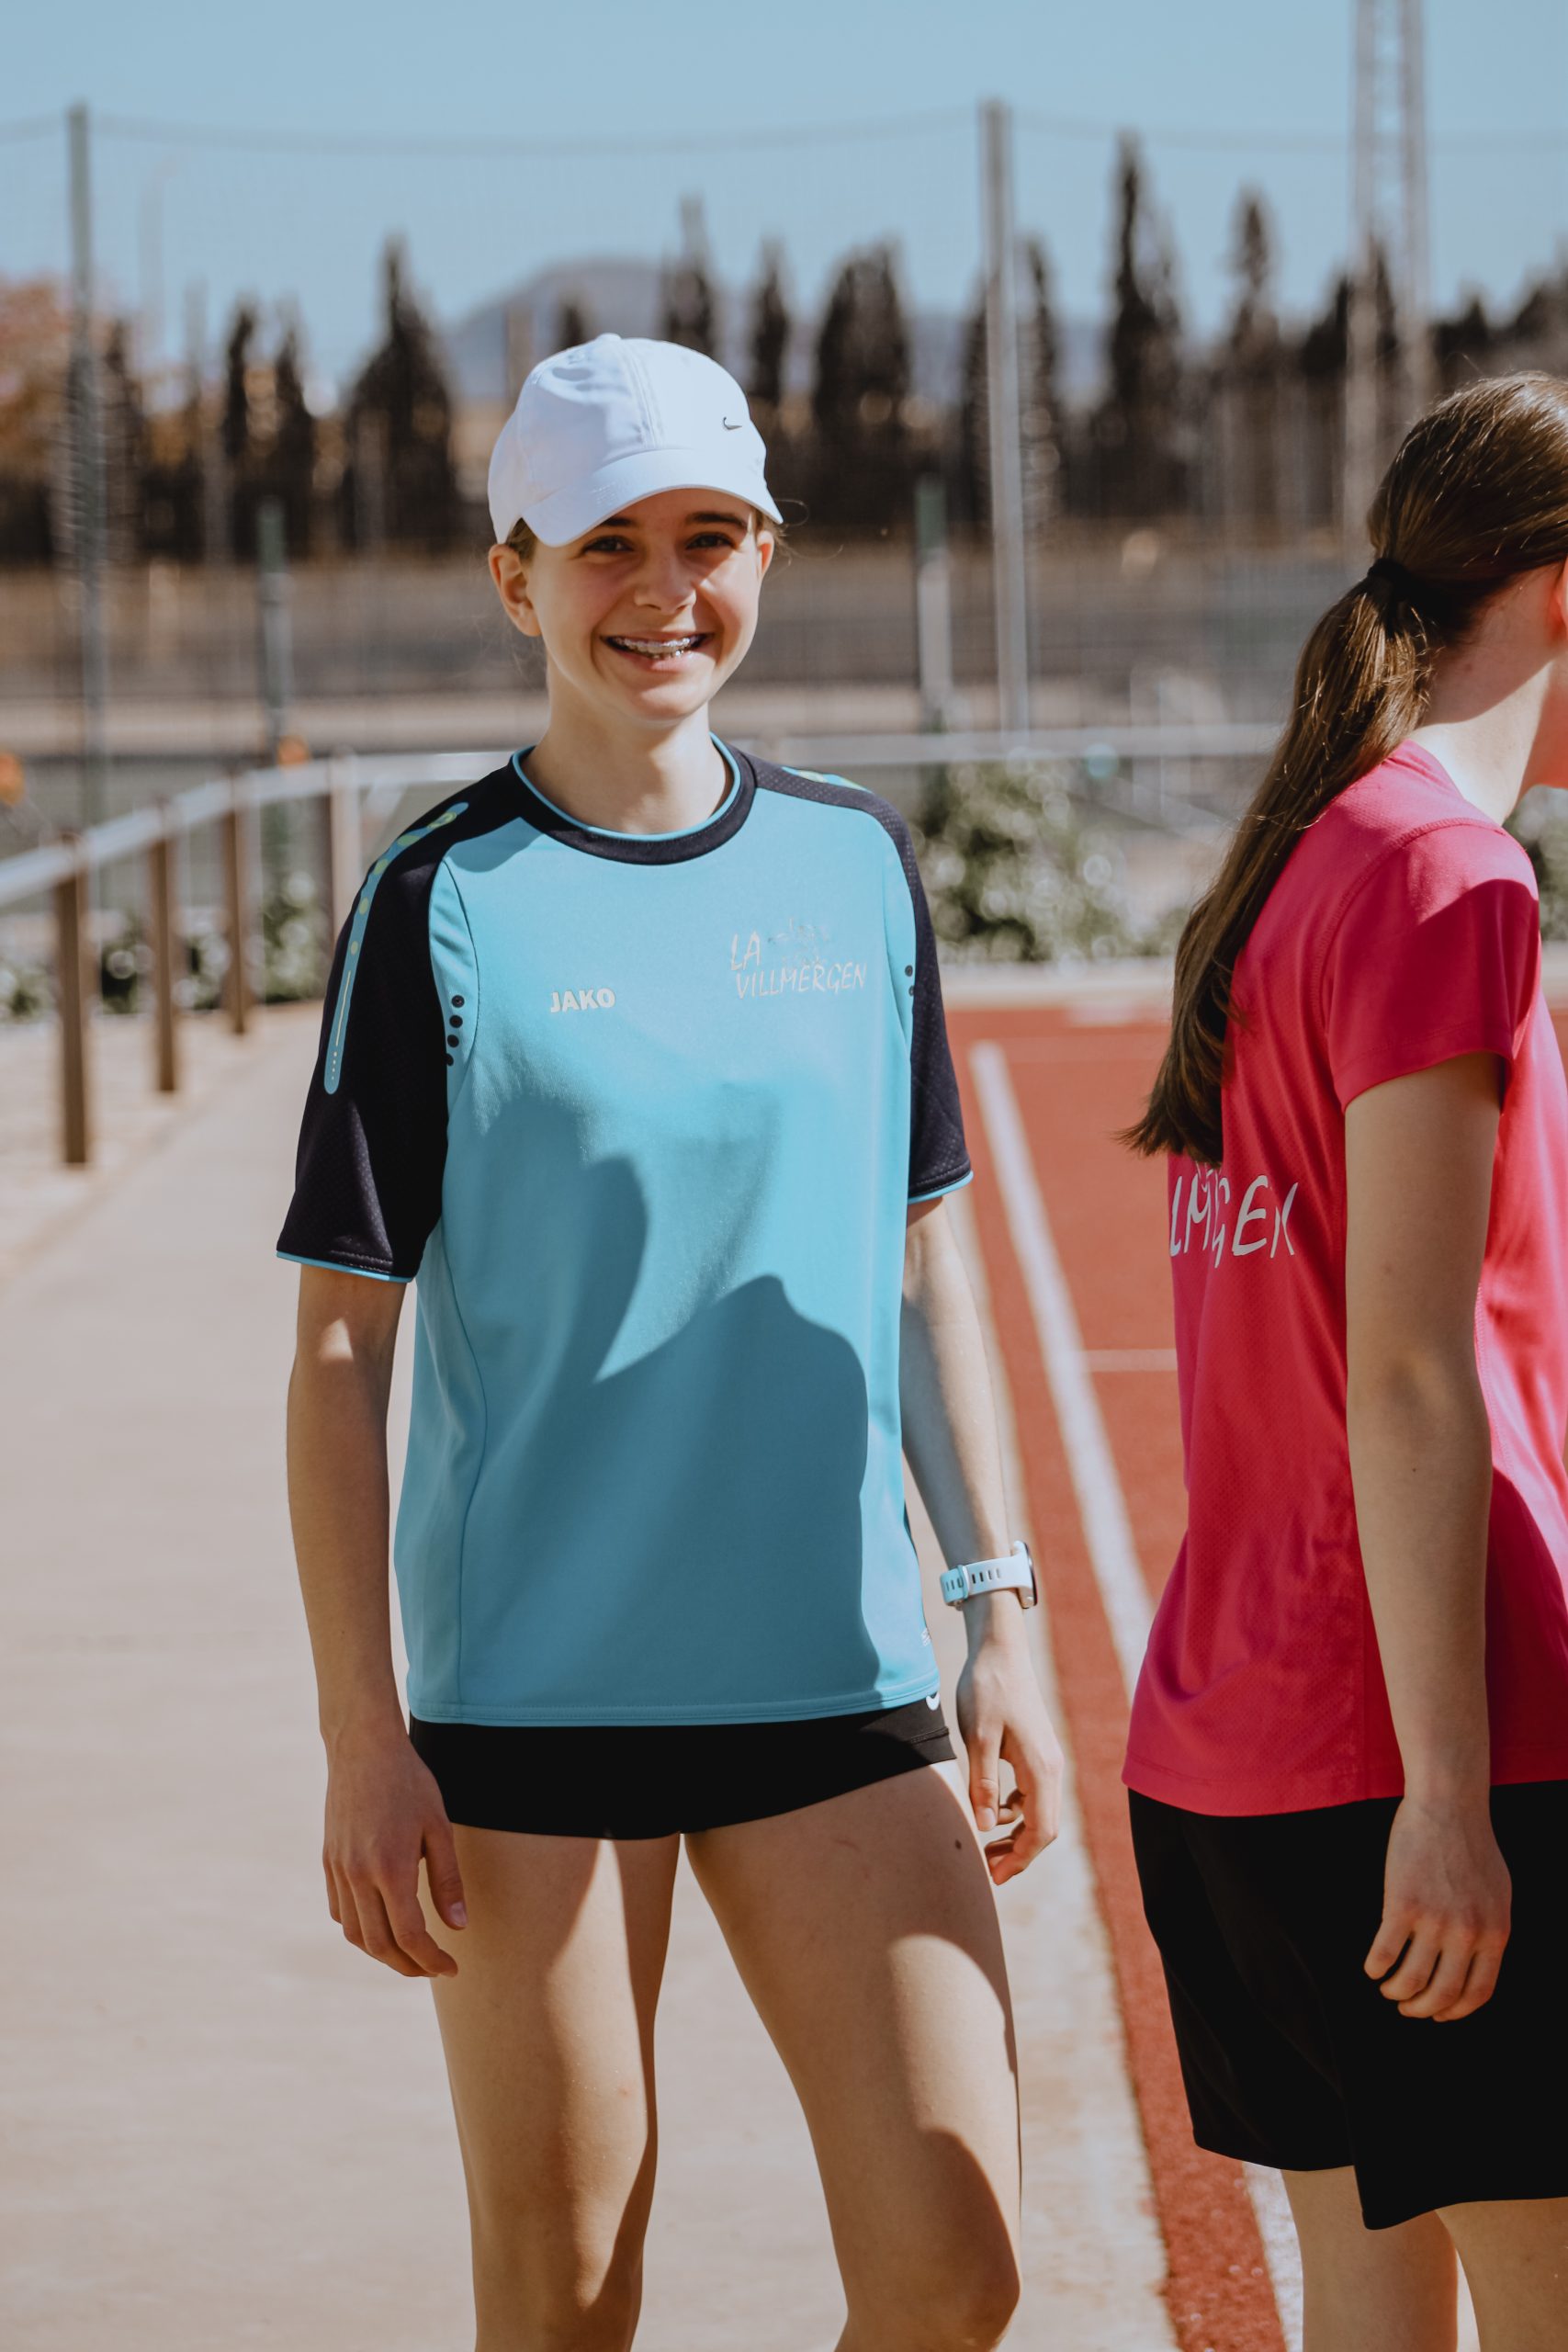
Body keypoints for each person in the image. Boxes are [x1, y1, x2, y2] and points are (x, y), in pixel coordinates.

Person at [279, 334, 1063, 2352]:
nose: (663, 592)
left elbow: (923, 1267)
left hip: (832, 1670)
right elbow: (343, 1351)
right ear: (515, 577)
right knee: (564, 2302)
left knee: (953, 2268)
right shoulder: (439, 899)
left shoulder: (854, 862)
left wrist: (994, 1608)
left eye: (708, 536)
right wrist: (365, 1734)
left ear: (766, 554)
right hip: (531, 1705)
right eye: (606, 545)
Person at [1124, 373, 1568, 2352]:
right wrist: (1450, 1795)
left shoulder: (1298, 857)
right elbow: (1405, 1371)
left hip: (1233, 1744)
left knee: (1371, 2316)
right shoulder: (1447, 876)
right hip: (1419, 1752)